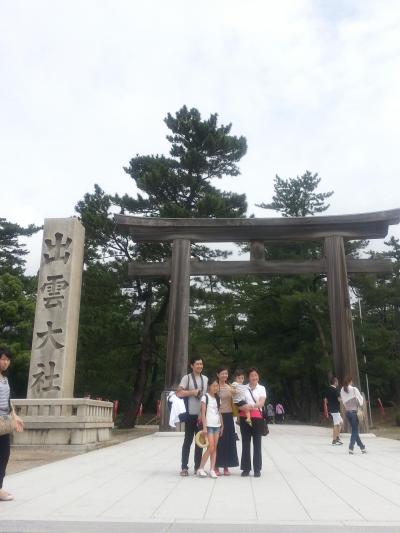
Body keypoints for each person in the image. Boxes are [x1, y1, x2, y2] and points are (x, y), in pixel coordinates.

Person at [176, 356, 208, 476]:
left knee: (200, 442)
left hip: (201, 416)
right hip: (190, 414)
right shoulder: (187, 378)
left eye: (201, 364)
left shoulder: (205, 379)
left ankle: (198, 467)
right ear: (192, 366)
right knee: (188, 441)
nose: (199, 366)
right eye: (197, 364)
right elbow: (178, 393)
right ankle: (184, 467)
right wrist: (192, 392)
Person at [0, 347, 24, 501]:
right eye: (2, 359)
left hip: (4, 422)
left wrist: (16, 417)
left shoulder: (5, 379)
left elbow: (8, 402)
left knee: (4, 455)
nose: (5, 362)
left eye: (7, 359)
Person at [239, 367, 266, 478]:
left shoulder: (261, 388)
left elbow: (261, 403)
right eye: (252, 375)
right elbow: (238, 401)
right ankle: (245, 468)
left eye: (256, 375)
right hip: (244, 417)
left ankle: (257, 469)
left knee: (257, 443)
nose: (254, 377)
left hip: (257, 418)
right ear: (248, 377)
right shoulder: (243, 388)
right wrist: (244, 407)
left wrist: (252, 406)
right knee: (245, 443)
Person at [214, 367, 239, 476]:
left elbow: (237, 398)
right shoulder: (215, 386)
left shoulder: (230, 387)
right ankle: (215, 466)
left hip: (228, 416)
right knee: (218, 441)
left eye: (226, 373)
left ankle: (226, 466)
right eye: (222, 373)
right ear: (218, 374)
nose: (224, 375)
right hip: (217, 416)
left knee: (229, 441)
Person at [197, 378, 223, 478]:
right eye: (214, 386)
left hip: (217, 426)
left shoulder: (218, 398)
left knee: (214, 448)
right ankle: (201, 468)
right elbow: (203, 413)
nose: (216, 388)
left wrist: (222, 425)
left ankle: (212, 469)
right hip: (208, 426)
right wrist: (204, 427)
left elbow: (219, 413)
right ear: (209, 386)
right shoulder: (205, 397)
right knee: (210, 447)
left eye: (217, 386)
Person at [340, 376, 366, 455]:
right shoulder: (354, 389)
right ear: (350, 381)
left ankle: (362, 447)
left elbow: (343, 402)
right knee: (355, 431)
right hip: (354, 413)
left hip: (347, 413)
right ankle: (351, 447)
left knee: (354, 430)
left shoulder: (342, 390)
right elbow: (361, 401)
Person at [324, 376, 343, 446]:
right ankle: (334, 440)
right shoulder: (335, 390)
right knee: (336, 424)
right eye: (337, 381)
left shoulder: (328, 389)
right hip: (335, 409)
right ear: (335, 382)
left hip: (331, 408)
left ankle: (337, 437)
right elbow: (339, 399)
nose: (338, 383)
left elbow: (325, 399)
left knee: (341, 422)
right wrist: (343, 400)